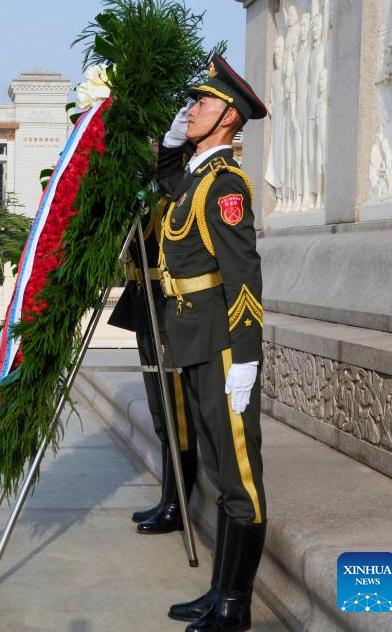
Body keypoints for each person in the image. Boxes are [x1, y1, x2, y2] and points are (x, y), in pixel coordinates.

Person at [158, 55, 268, 631]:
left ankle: (235, 606)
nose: (190, 109)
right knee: (222, 474)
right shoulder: (197, 177)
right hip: (194, 341)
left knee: (240, 476)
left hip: (224, 346)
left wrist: (245, 359)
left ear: (228, 117)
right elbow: (164, 176)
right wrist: (172, 141)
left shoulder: (225, 186)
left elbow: (243, 278)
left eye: (200, 103)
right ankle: (220, 592)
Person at [108, 114, 198, 535]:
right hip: (145, 302)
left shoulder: (174, 187)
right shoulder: (147, 188)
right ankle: (169, 497)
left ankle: (177, 504)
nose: (150, 149)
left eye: (154, 142)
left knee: (175, 411)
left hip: (167, 306)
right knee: (160, 411)